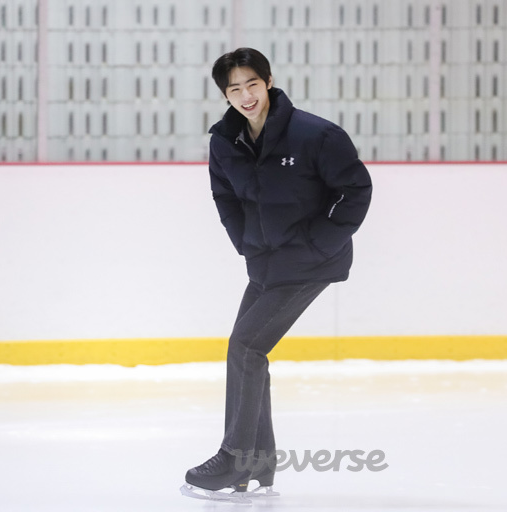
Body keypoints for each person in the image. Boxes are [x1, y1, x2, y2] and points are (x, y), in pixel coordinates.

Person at [181, 47, 372, 501]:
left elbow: (356, 190)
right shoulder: (225, 142)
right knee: (248, 350)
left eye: (252, 84)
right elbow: (225, 197)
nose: (245, 95)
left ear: (268, 81)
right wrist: (244, 241)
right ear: (225, 95)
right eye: (234, 89)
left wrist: (317, 244)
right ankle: (257, 466)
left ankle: (235, 458)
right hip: (264, 262)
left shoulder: (316, 135)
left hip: (310, 263)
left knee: (246, 347)